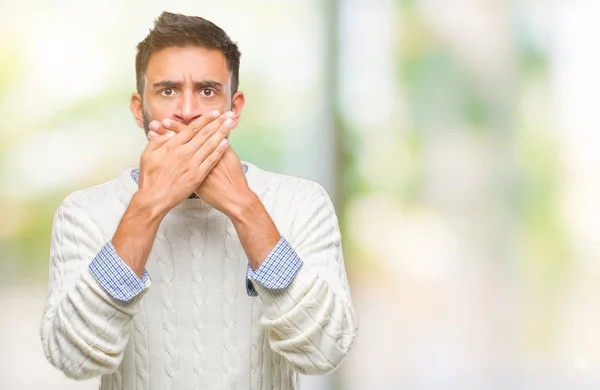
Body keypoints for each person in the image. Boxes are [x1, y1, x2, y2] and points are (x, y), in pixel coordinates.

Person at [39, 11, 357, 390]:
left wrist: (244, 206)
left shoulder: (302, 204)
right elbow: (73, 359)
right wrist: (147, 207)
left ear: (233, 108)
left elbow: (324, 352)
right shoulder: (84, 213)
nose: (188, 112)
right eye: (167, 90)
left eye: (207, 91)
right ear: (140, 108)